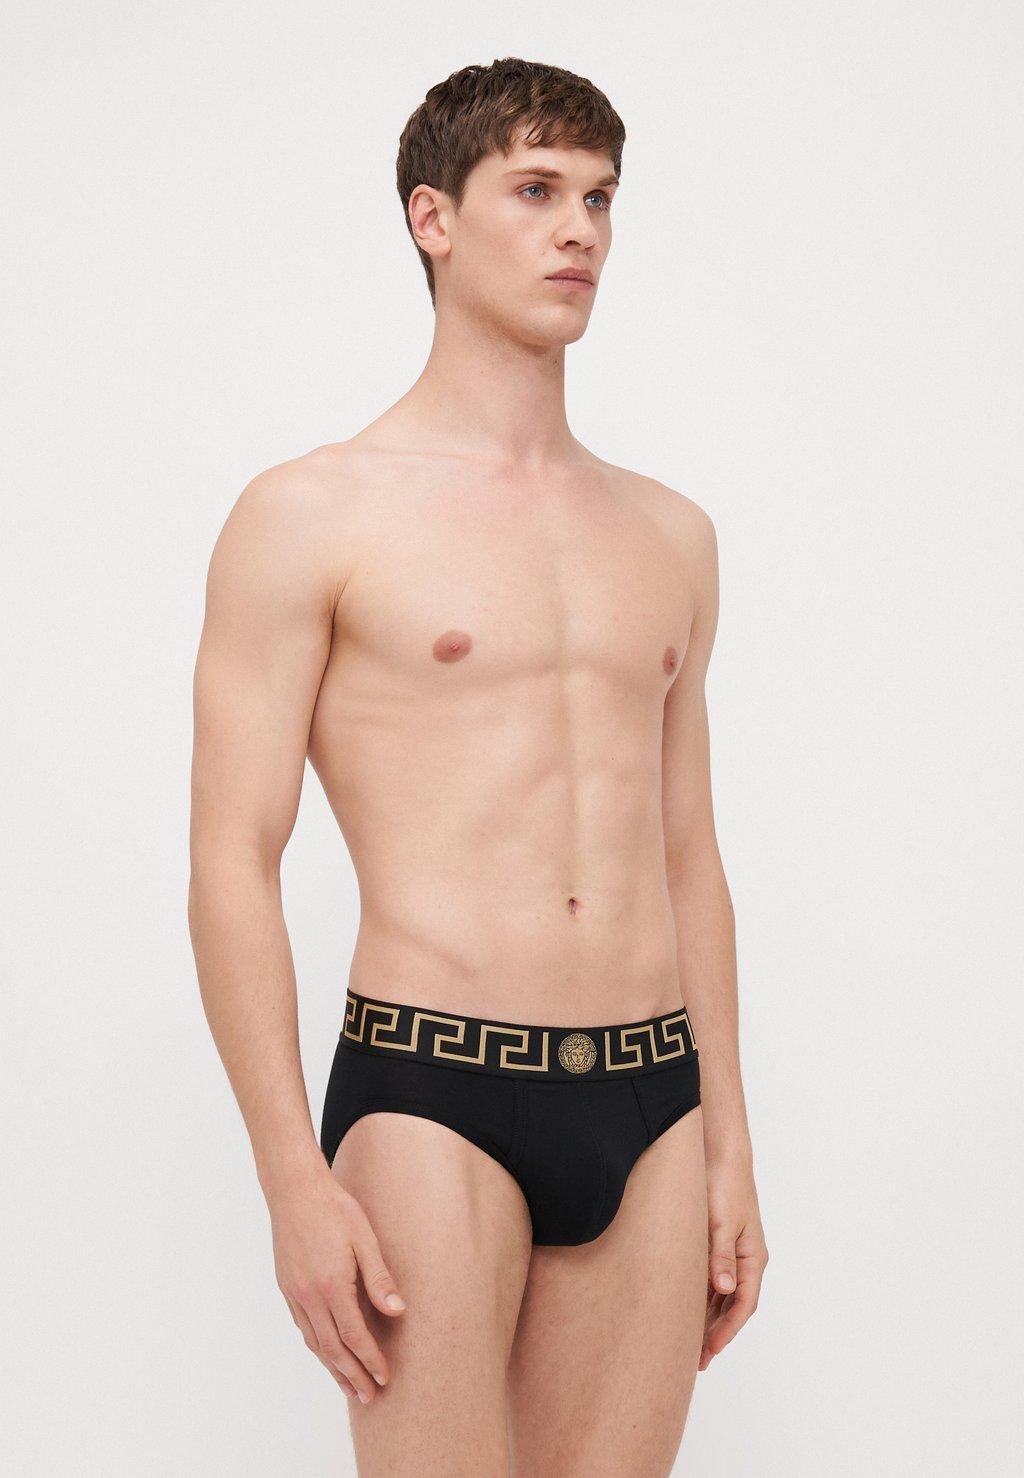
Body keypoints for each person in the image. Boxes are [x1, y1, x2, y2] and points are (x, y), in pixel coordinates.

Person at [188, 55, 768, 1476]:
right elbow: (230, 860)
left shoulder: (671, 536)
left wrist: (729, 1145)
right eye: (537, 190)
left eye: (601, 198)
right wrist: (290, 1179)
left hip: (653, 1099)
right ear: (432, 218)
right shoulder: (311, 514)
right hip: (430, 1087)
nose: (580, 230)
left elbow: (687, 854)